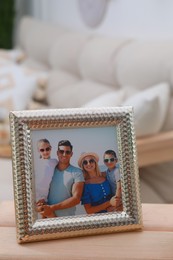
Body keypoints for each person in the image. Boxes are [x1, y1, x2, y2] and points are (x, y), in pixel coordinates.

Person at [41, 140, 84, 217]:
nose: (64, 154)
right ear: (57, 153)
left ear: (71, 154)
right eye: (61, 151)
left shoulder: (77, 172)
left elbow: (76, 199)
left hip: (67, 220)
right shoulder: (50, 170)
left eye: (67, 152)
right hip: (48, 218)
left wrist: (52, 208)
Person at [35, 138, 58, 218]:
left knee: (45, 220)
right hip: (37, 198)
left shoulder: (54, 161)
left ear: (51, 148)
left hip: (47, 197)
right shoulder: (36, 163)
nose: (45, 152)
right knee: (52, 217)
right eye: (42, 150)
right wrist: (37, 198)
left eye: (47, 149)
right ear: (38, 151)